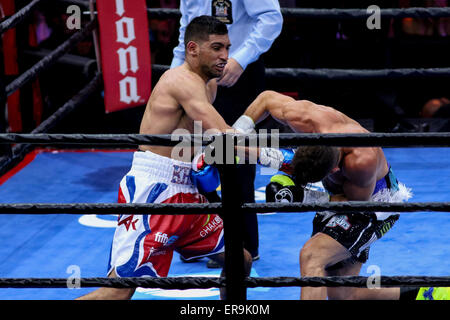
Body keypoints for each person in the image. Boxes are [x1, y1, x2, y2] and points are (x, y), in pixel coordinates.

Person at [77, 15, 252, 300]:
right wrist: (279, 157)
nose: (225, 57)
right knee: (116, 294)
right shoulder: (180, 81)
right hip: (155, 192)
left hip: (187, 192)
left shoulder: (209, 85)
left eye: (228, 48)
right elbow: (225, 135)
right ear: (193, 49)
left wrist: (203, 163)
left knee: (239, 261)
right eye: (217, 48)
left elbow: (200, 138)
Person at [237, 90, 425, 300]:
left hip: (372, 204)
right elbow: (266, 98)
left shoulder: (361, 161)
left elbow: (355, 205)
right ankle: (425, 293)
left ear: (334, 170)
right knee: (342, 294)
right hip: (340, 191)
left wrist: (306, 197)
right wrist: (235, 133)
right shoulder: (305, 117)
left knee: (312, 257)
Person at [171, 0, 283, 266]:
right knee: (192, 160)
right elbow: (187, 30)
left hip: (239, 75)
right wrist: (172, 77)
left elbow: (271, 17)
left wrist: (240, 59)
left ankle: (243, 245)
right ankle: (202, 238)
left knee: (235, 162)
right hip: (198, 77)